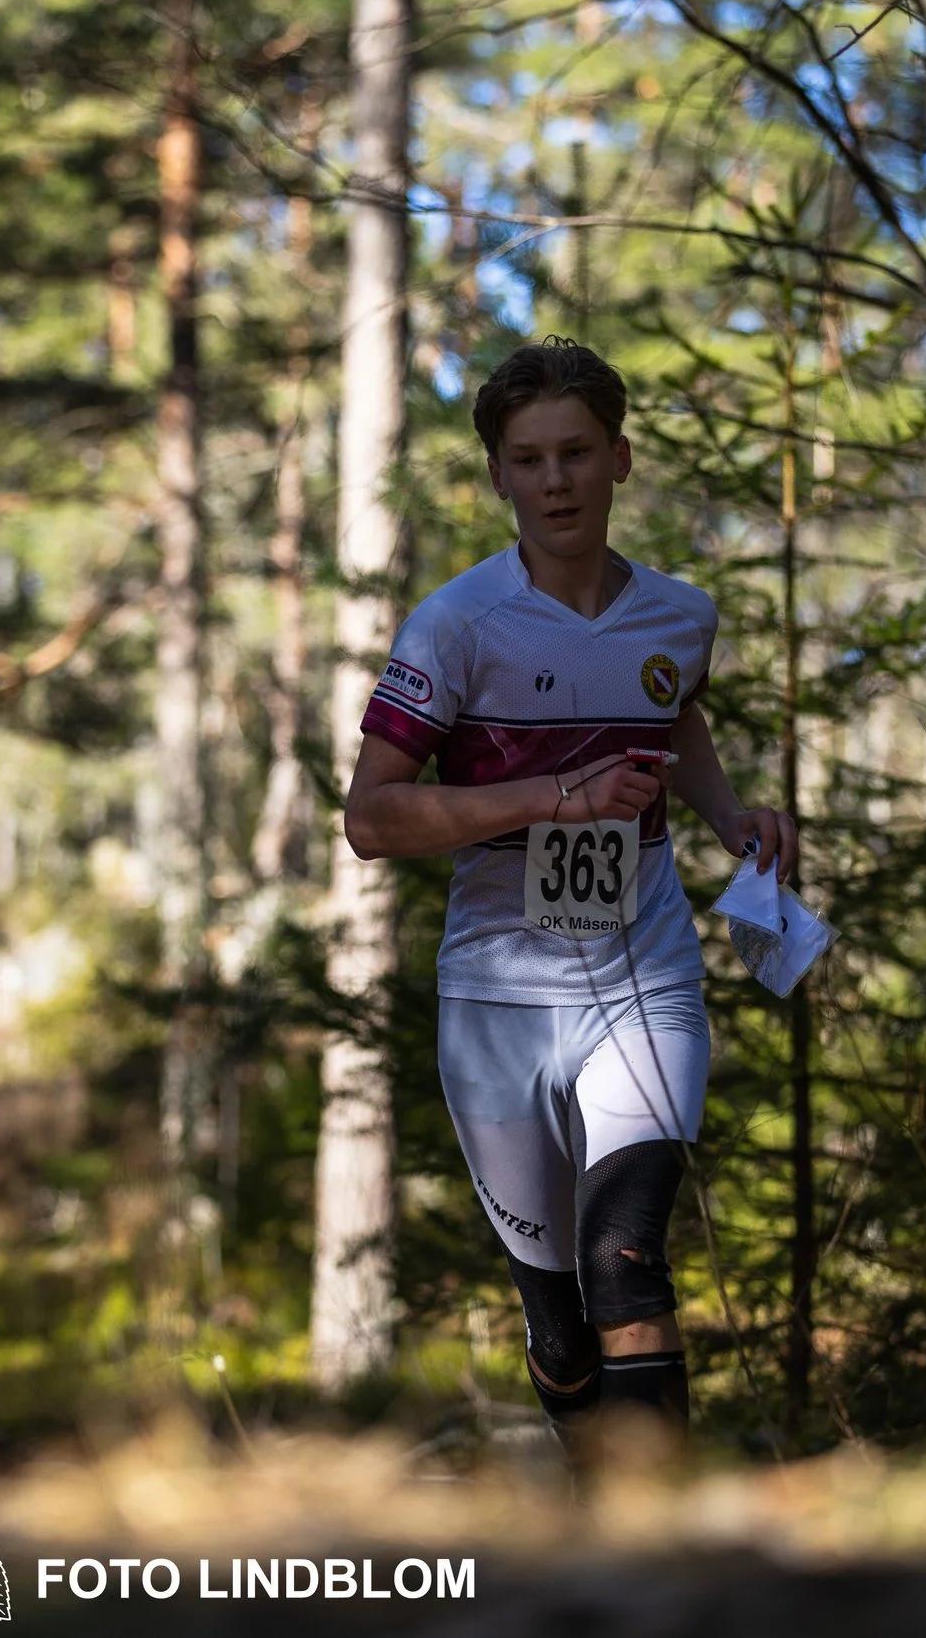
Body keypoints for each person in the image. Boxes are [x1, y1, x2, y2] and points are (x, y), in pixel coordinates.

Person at [341, 336, 796, 1468]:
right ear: (496, 474)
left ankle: (653, 1549)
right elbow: (371, 816)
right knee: (560, 1324)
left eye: (578, 453)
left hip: (645, 975)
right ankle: (596, 1495)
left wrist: (734, 818)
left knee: (626, 1257)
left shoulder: (678, 616)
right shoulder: (456, 626)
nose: (556, 480)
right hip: (495, 998)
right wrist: (554, 796)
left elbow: (673, 717)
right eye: (530, 458)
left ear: (620, 459)